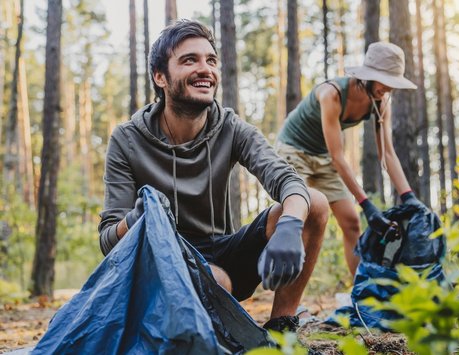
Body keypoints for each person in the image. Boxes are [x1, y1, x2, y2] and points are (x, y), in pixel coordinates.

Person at [98, 19, 328, 332]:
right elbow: (108, 240)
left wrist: (289, 225)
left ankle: (282, 329)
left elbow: (286, 180)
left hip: (225, 252)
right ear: (160, 77)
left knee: (312, 203)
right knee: (216, 281)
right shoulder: (127, 139)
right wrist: (135, 220)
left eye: (211, 60)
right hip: (165, 263)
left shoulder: (231, 127)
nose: (205, 69)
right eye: (189, 60)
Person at [277, 42, 427, 276]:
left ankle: (359, 292)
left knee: (352, 222)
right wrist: (367, 205)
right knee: (301, 219)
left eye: (392, 83)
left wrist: (409, 197)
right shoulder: (332, 94)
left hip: (323, 158)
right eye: (384, 80)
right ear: (367, 76)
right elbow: (339, 156)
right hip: (293, 151)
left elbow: (387, 153)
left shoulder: (380, 103)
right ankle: (290, 299)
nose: (387, 88)